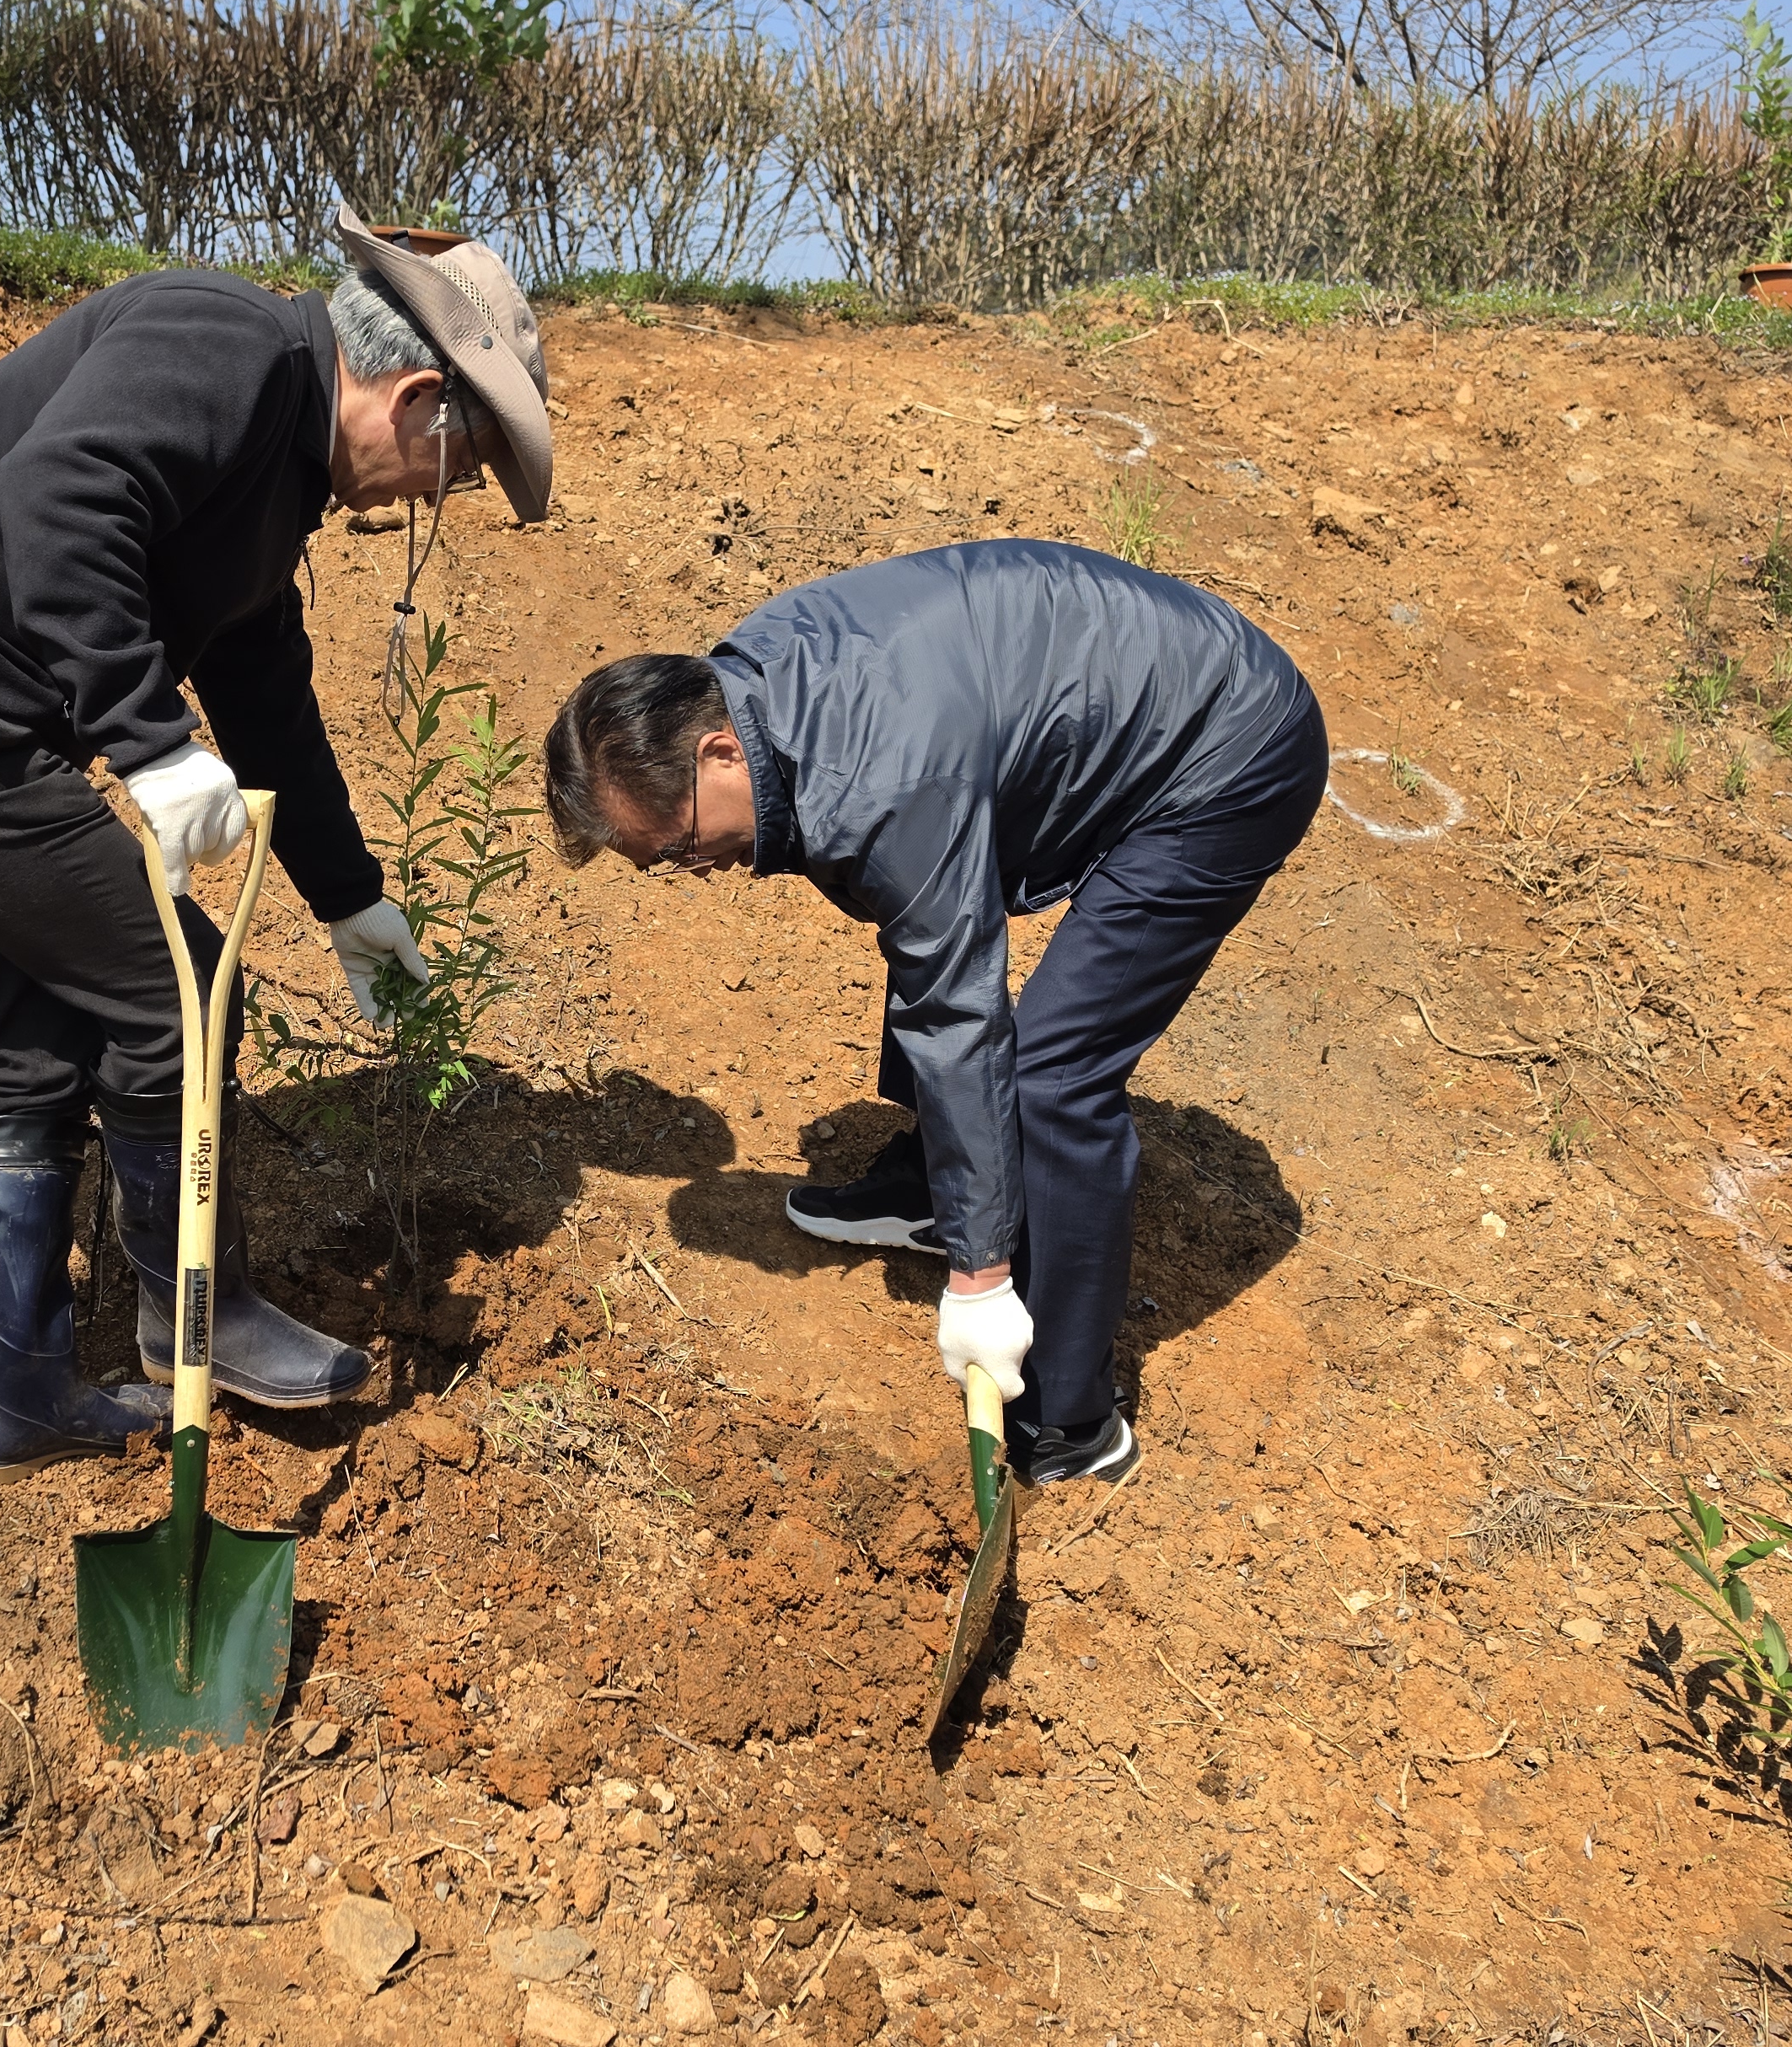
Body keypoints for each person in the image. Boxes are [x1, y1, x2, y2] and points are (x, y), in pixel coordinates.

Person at [0, 209, 555, 1481]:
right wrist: (149, 744)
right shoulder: (225, 344)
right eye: (454, 474)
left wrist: (349, 899)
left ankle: (19, 1398)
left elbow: (264, 691)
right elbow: (60, 494)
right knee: (177, 991)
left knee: (38, 1038)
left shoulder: (272, 474)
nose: (432, 500)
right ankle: (198, 1315)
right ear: (416, 399)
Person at [540, 541, 1324, 1487]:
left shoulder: (880, 781)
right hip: (1116, 695)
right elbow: (920, 917)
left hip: (1225, 754)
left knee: (1053, 1077)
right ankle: (936, 1191)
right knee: (925, 922)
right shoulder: (753, 692)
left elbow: (956, 1006)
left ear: (716, 752)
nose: (693, 871)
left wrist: (983, 1278)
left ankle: (1074, 1420)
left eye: (678, 848)